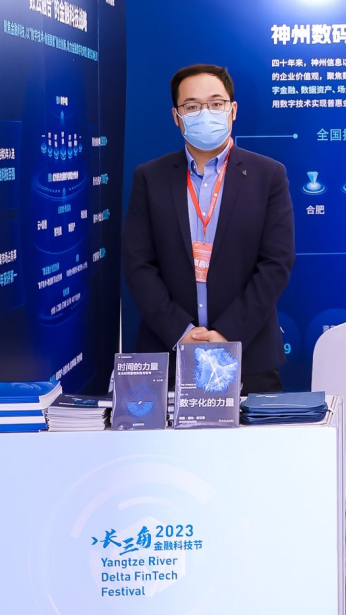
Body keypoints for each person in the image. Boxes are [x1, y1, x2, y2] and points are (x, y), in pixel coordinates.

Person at [122, 64, 295, 393]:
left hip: (249, 355)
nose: (205, 114)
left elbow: (277, 263)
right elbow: (138, 265)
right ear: (176, 117)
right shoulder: (150, 177)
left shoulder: (268, 176)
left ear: (233, 110)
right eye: (192, 107)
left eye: (216, 104)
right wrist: (181, 333)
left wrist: (227, 334)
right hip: (168, 353)